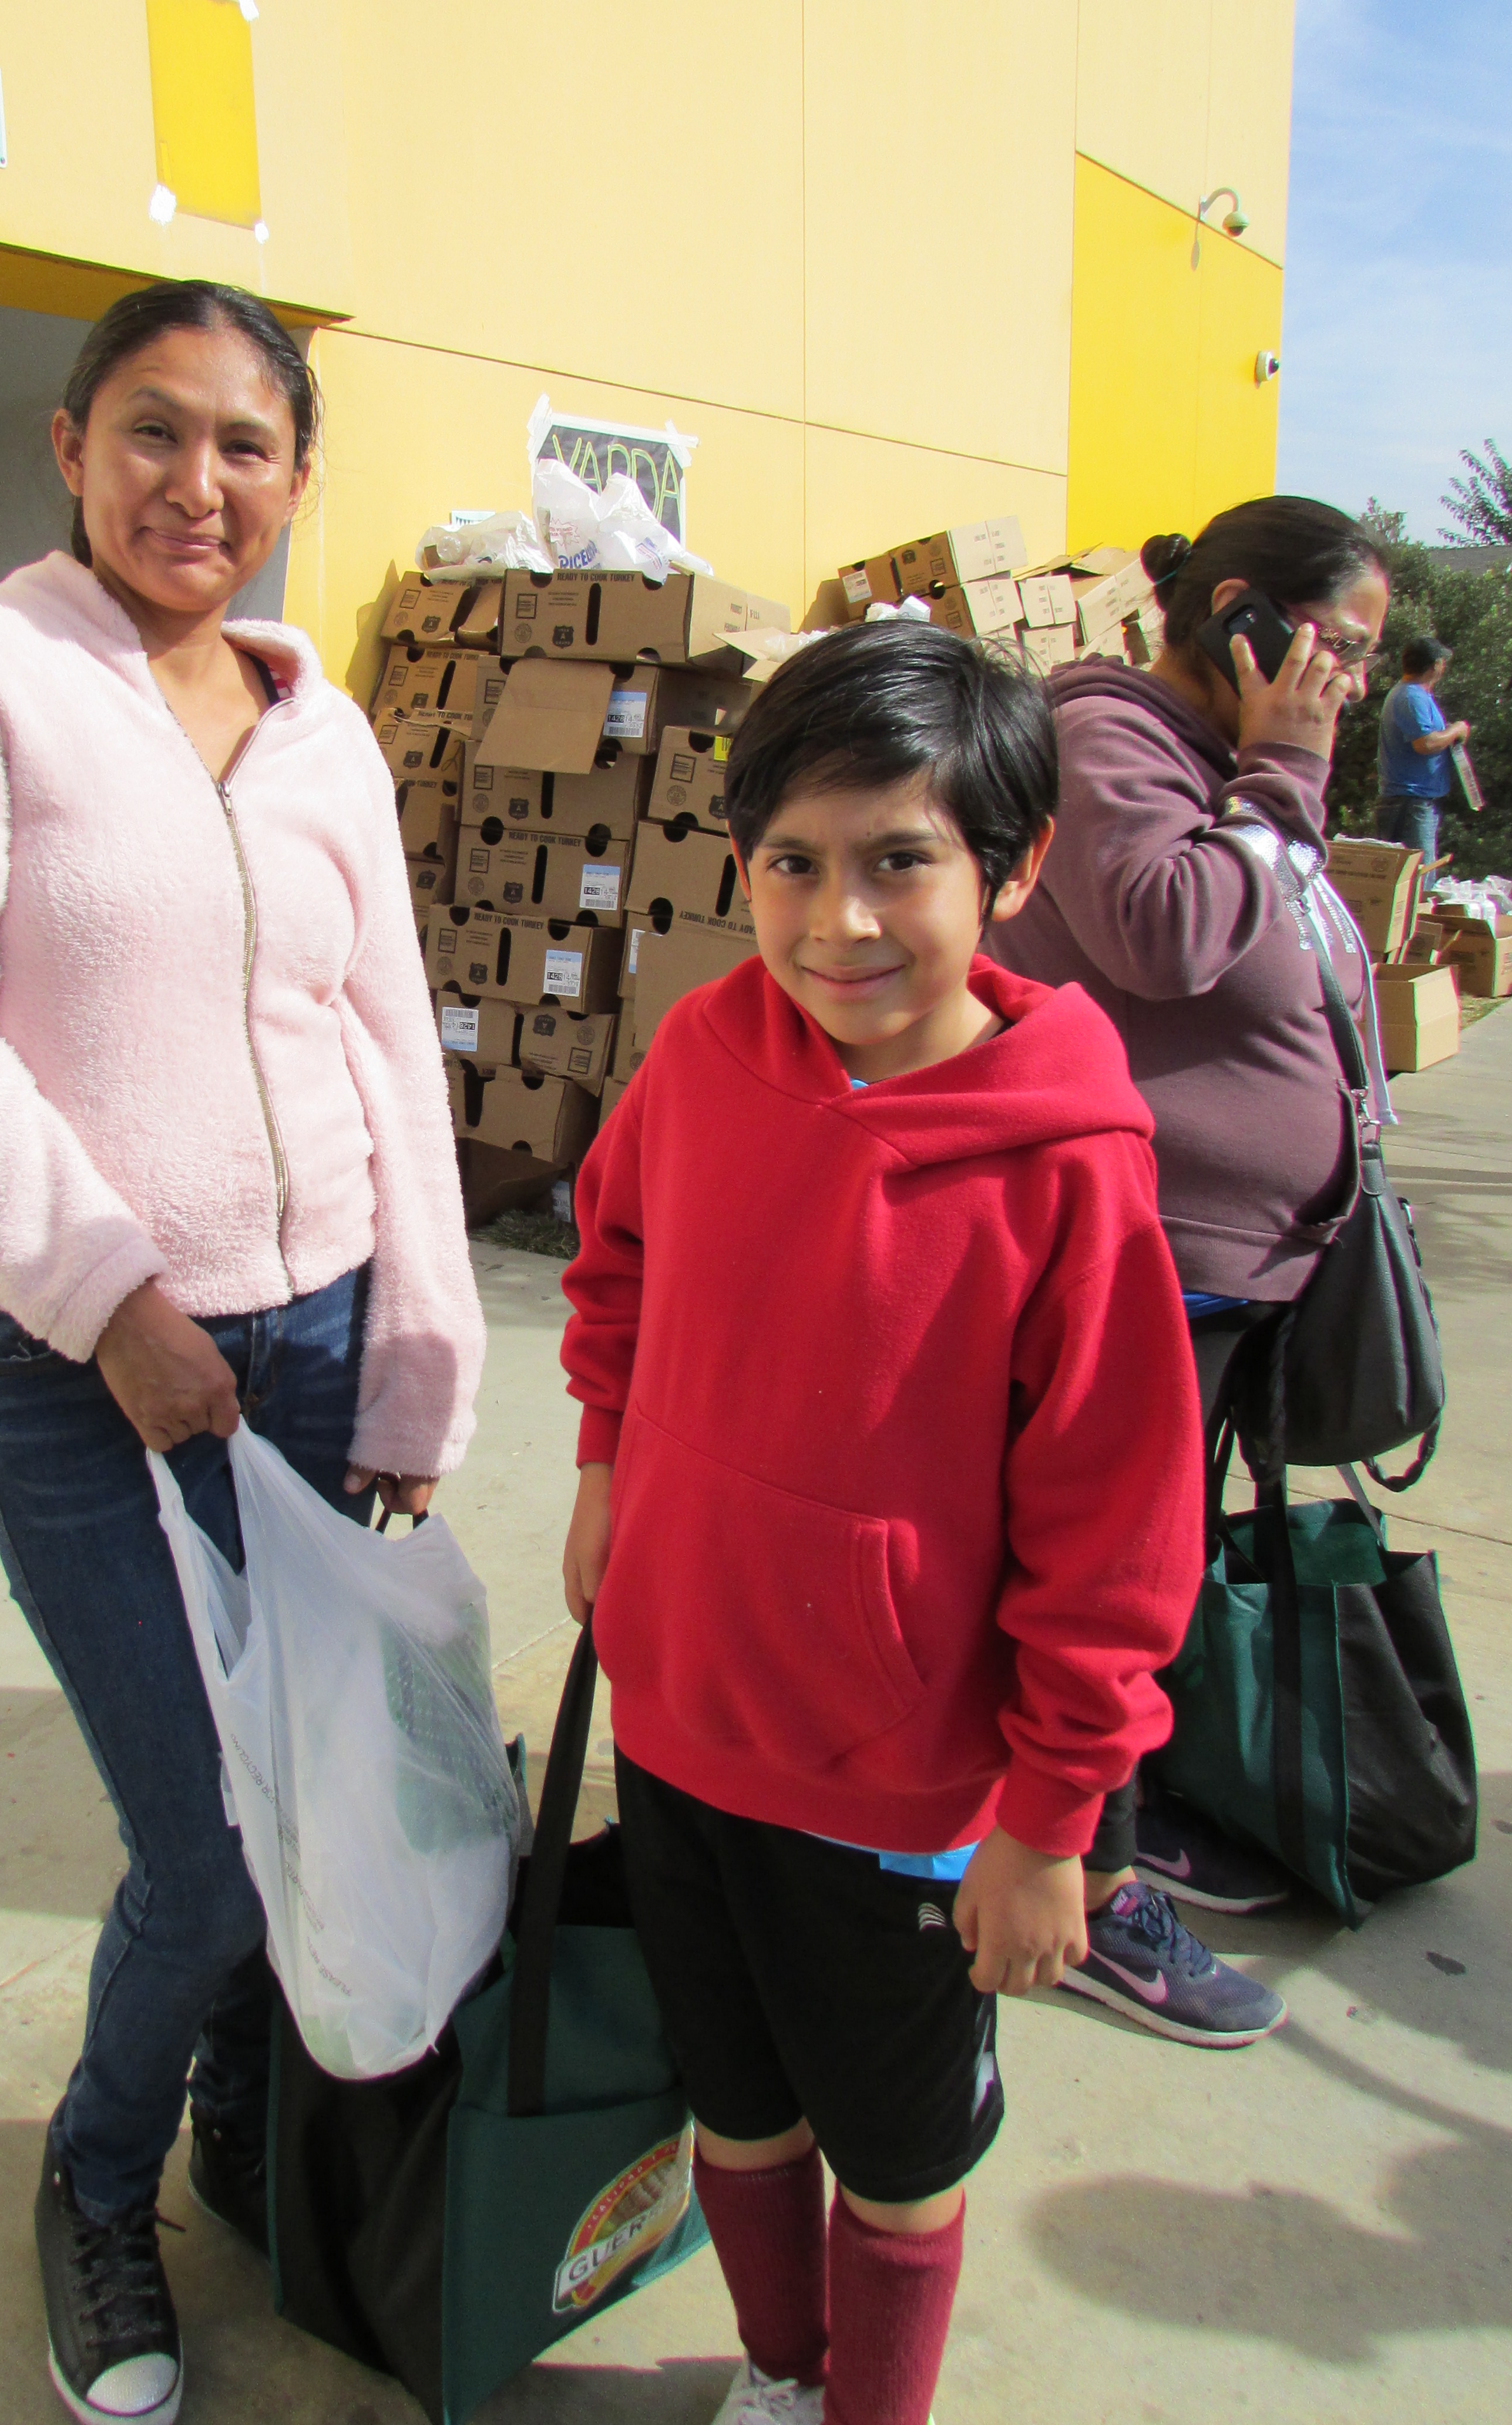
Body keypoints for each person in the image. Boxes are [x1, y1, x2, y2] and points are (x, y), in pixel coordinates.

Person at [0, 280, 483, 2425]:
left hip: (314, 1335)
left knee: (319, 1803)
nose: (201, 483)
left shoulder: (328, 725)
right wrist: (106, 1294)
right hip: (67, 1351)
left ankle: (236, 2113)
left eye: (248, 445)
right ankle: (97, 2181)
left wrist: (418, 1350)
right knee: (199, 1840)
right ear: (70, 442)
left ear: (298, 477)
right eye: (154, 431)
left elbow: (390, 1045)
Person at [559, 622, 1205, 2425]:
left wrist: (1051, 1815)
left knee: (896, 2158)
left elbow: (1118, 1537)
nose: (838, 923)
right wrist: (612, 1468)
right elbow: (612, 1267)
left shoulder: (1070, 1167)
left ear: (1012, 871)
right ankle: (780, 2372)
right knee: (737, 2107)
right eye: (793, 865)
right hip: (682, 1731)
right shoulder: (702, 1053)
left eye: (899, 863)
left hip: (905, 1804)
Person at [990, 495, 1390, 2038]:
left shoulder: (1219, 762)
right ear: (1243, 617)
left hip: (1233, 1265)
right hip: (1146, 1256)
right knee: (1109, 1583)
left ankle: (1119, 1817)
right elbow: (1162, 934)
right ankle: (1088, 1892)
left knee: (1154, 1575)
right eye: (1334, 649)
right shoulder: (1110, 741)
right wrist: (1284, 778)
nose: (1345, 683)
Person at [1377, 633, 1468, 862]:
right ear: (1436, 665)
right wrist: (1456, 730)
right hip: (1411, 802)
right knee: (1418, 876)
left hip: (1412, 801)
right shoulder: (1411, 696)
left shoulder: (1414, 694)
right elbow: (1425, 744)